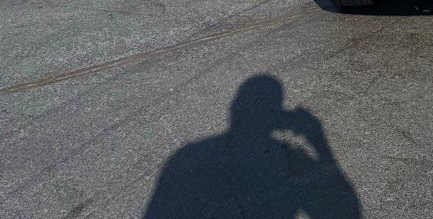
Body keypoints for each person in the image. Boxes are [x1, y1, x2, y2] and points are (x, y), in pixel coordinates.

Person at [144, 75, 360, 218]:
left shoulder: (185, 155)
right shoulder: (294, 158)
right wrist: (318, 138)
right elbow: (345, 209)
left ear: (234, 107)